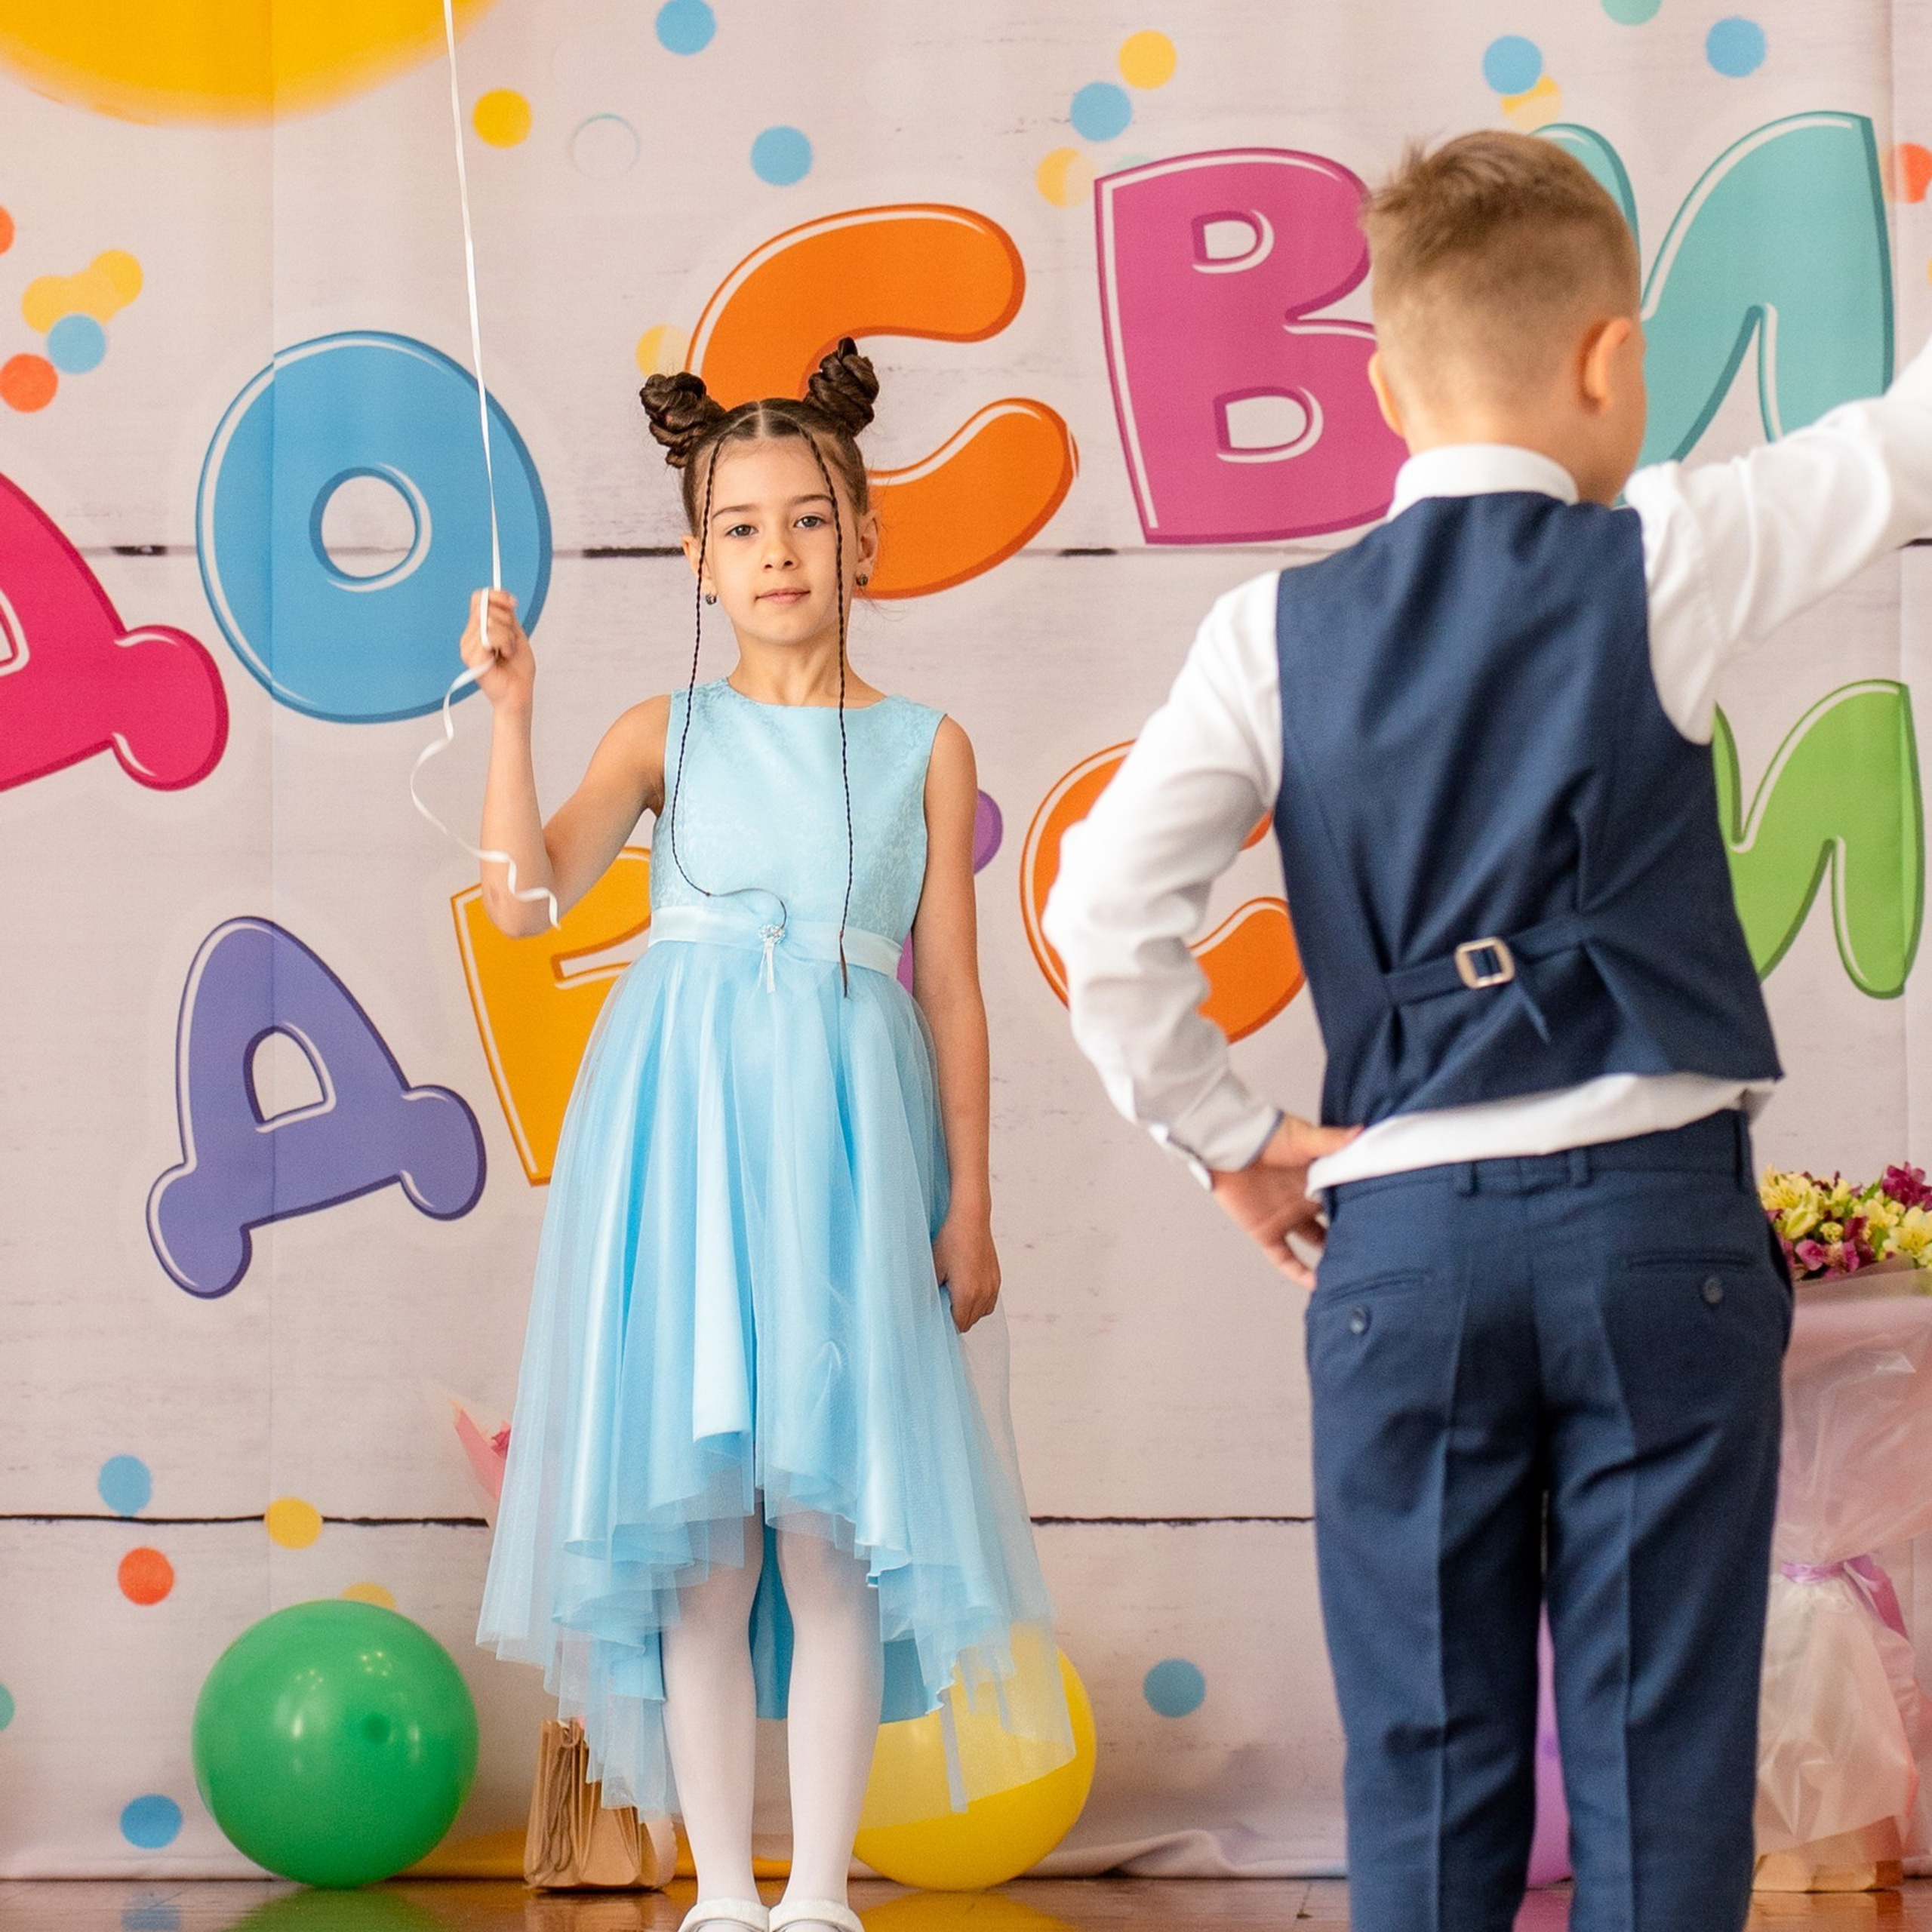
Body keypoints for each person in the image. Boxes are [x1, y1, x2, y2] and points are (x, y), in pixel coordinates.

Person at [1044, 130, 1932, 1932]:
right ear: (1613, 361)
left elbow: (1095, 912)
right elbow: (1898, 441)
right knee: (1655, 1766)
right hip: (1652, 1239)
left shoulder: (1267, 630)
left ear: (1383, 389)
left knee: (1427, 1761)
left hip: (1403, 1254)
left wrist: (1227, 1137)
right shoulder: (1660, 549)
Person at [472, 340, 1070, 1932]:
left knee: (827, 1521)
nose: (778, 552)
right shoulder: (662, 733)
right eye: (740, 527)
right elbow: (525, 903)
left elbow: (954, 994)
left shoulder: (924, 743)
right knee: (702, 1533)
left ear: (865, 536)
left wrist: (971, 1203)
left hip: (846, 1155)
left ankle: (817, 1890)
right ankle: (722, 1892)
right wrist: (513, 718)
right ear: (697, 558)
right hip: (684, 1147)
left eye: (808, 519)